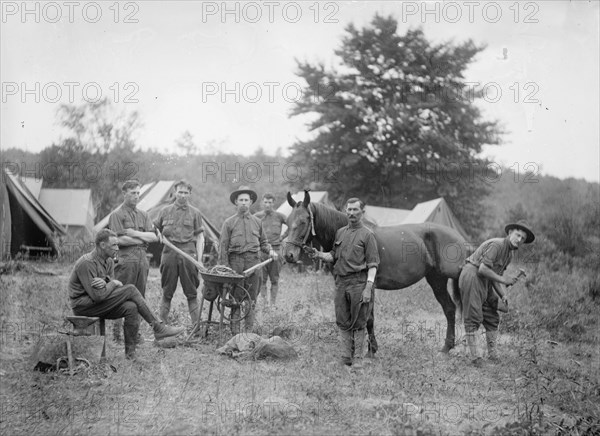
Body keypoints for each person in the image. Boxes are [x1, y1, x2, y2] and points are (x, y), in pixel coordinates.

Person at [68, 229, 185, 359]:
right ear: (102, 245)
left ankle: (131, 355)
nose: (117, 248)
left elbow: (109, 285)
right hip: (83, 306)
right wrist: (113, 283)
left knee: (131, 307)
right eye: (114, 245)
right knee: (130, 289)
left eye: (118, 245)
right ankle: (157, 327)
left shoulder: (109, 261)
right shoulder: (87, 263)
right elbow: (99, 295)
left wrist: (107, 282)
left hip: (97, 303)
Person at [307, 198, 379, 368]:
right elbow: (333, 255)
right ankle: (346, 357)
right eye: (349, 210)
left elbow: (373, 265)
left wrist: (368, 287)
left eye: (355, 210)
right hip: (341, 282)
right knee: (343, 320)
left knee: (360, 320)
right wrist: (318, 254)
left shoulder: (368, 235)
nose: (351, 213)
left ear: (362, 212)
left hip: (359, 283)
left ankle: (359, 359)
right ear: (345, 211)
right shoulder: (340, 233)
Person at [459, 220, 535, 365]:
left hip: (485, 280)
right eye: (518, 235)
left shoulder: (509, 254)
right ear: (510, 233)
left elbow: (493, 276)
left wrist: (502, 294)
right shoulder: (497, 245)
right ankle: (476, 358)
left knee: (491, 316)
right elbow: (483, 269)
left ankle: (492, 355)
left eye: (523, 239)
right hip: (473, 275)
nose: (519, 240)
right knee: (473, 316)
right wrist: (504, 280)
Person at [218, 186, 277, 334]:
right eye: (241, 200)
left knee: (251, 299)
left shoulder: (257, 222)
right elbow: (223, 248)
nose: (244, 203)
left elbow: (264, 243)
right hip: (235, 263)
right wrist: (226, 268)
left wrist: (270, 251)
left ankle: (249, 333)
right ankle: (235, 333)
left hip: (254, 263)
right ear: (236, 203)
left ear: (250, 202)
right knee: (235, 299)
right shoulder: (229, 223)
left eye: (246, 200)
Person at [108, 180, 158, 343]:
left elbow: (154, 236)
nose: (136, 196)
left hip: (142, 260)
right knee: (121, 295)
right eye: (132, 193)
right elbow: (118, 240)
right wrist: (141, 240)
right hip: (125, 260)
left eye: (138, 193)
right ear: (124, 194)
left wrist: (134, 234)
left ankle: (133, 333)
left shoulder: (144, 214)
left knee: (139, 297)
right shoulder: (117, 214)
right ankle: (117, 334)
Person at [154, 180, 204, 328]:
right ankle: (162, 326)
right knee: (167, 292)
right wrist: (158, 234)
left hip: (188, 253)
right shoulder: (164, 211)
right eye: (180, 192)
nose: (182, 195)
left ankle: (196, 327)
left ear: (190, 194)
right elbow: (154, 229)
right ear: (175, 192)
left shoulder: (195, 213)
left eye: (185, 192)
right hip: (169, 253)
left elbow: (200, 237)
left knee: (191, 292)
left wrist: (200, 260)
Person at [253, 193, 287, 307]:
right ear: (262, 203)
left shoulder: (280, 216)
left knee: (274, 279)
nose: (267, 205)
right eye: (265, 202)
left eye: (270, 202)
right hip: (262, 251)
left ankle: (272, 304)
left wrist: (282, 237)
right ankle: (264, 304)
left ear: (274, 203)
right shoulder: (257, 216)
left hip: (277, 250)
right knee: (262, 279)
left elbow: (292, 225)